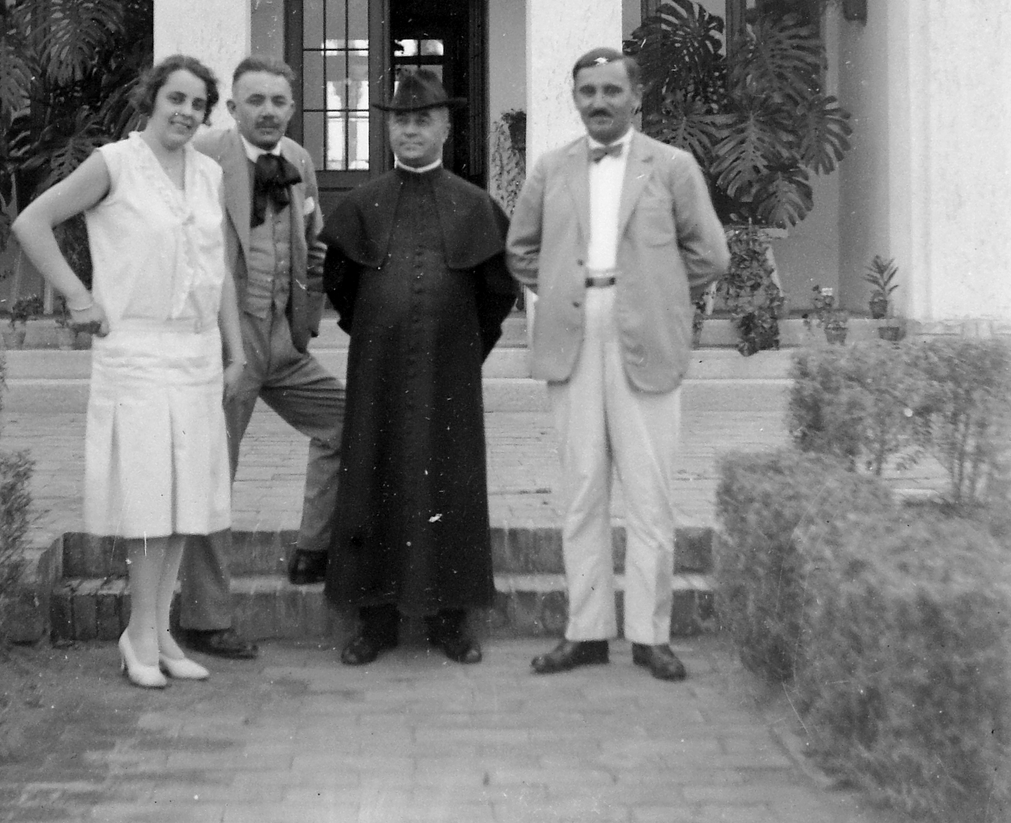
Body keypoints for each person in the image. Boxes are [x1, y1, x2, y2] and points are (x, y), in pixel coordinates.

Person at [11, 55, 246, 690]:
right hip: (136, 352)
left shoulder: (207, 173)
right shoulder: (113, 163)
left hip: (195, 354)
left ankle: (158, 630)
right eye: (176, 98)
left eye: (198, 104)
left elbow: (217, 270)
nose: (185, 113)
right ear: (152, 98)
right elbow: (31, 223)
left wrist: (235, 351)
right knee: (149, 498)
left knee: (183, 498)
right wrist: (79, 298)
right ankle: (139, 633)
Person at [506, 47, 729, 681]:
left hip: (646, 335)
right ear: (574, 99)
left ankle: (650, 635)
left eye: (610, 91)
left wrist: (656, 291)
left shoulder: (673, 166)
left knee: (650, 494)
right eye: (587, 92)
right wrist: (564, 287)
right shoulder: (551, 169)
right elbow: (521, 251)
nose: (599, 103)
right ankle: (586, 631)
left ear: (635, 98)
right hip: (573, 332)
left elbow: (710, 255)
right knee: (581, 491)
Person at [320, 69, 517, 667]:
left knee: (451, 482)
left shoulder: (477, 206)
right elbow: (343, 289)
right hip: (377, 370)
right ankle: (373, 620)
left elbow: (495, 294)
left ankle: (451, 620)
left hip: (451, 372)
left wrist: (456, 348)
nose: (411, 129)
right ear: (387, 129)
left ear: (446, 128)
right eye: (401, 120)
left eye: (423, 119)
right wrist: (385, 332)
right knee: (371, 479)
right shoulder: (359, 206)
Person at [177, 55, 345, 661]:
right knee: (214, 472)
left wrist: (308, 315)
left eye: (278, 101)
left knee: (345, 422)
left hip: (283, 338)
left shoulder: (297, 161)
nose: (268, 111)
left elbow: (315, 242)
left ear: (292, 106)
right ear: (232, 108)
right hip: (227, 341)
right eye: (255, 101)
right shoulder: (202, 158)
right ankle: (204, 615)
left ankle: (312, 548)